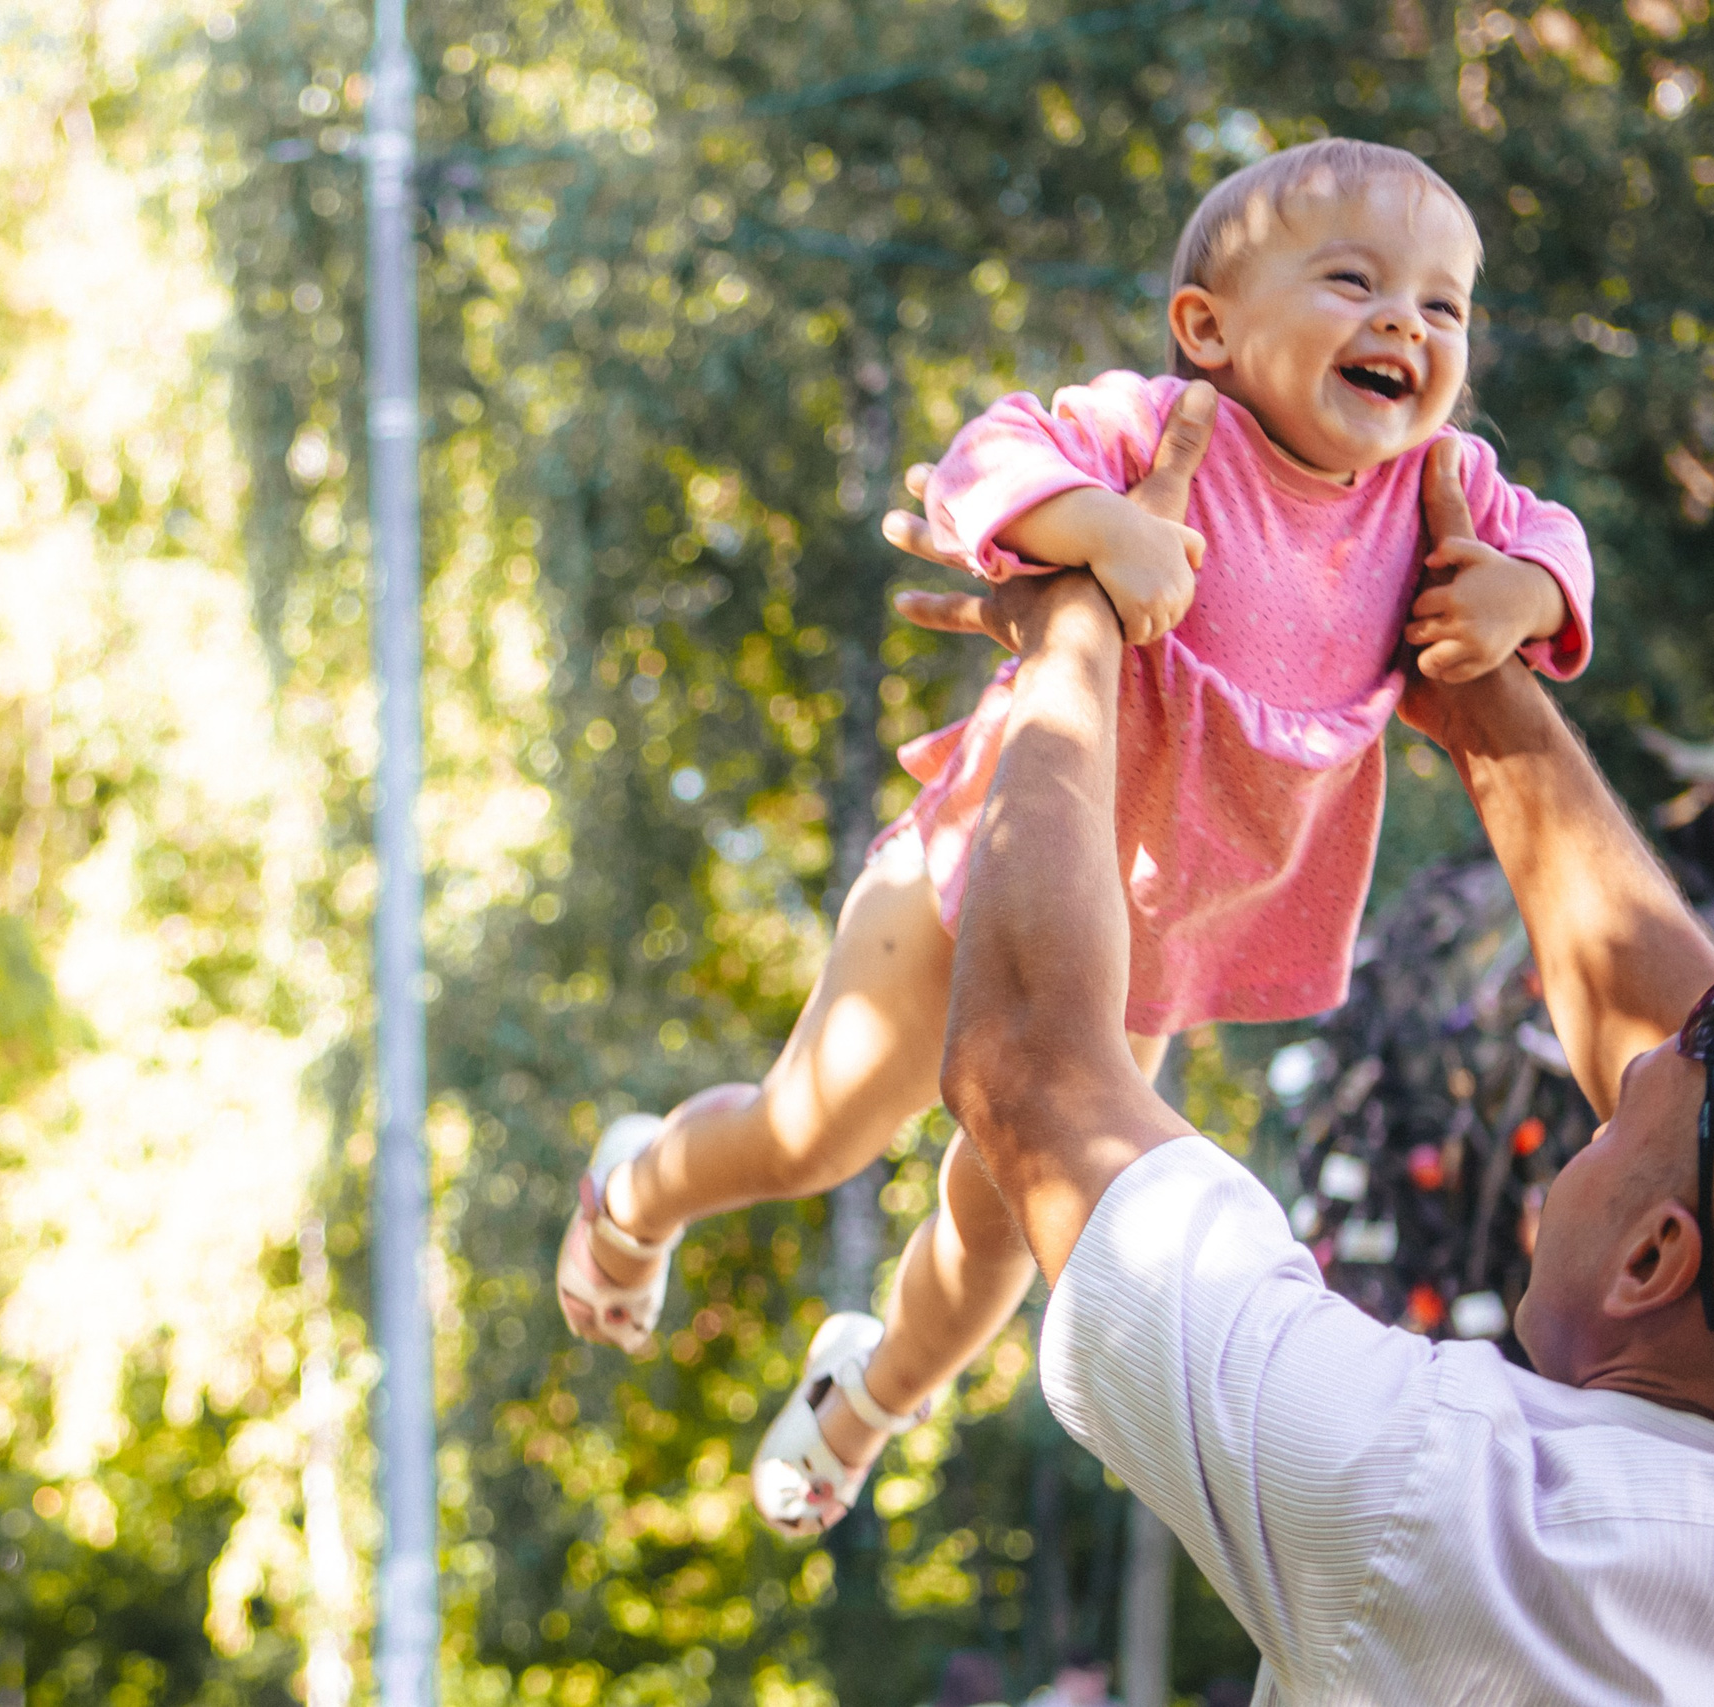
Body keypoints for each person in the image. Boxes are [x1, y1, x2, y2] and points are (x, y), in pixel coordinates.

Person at [885, 411, 1714, 1700]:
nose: (1608, 1075)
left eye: (1628, 1099)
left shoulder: (1431, 1517)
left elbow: (1033, 1064)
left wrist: (1069, 633)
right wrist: (1470, 689)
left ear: (1655, 1258)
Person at [557, 137, 1594, 1538]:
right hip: (973, 878)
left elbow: (1556, 548)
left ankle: (864, 1401)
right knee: (811, 1133)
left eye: (1445, 305)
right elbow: (986, 455)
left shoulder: (1437, 497)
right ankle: (632, 1192)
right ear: (1208, 328)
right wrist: (1100, 525)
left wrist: (1520, 600)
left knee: (1007, 1233)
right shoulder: (1169, 430)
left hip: (1140, 946)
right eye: (1353, 281)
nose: (1407, 323)